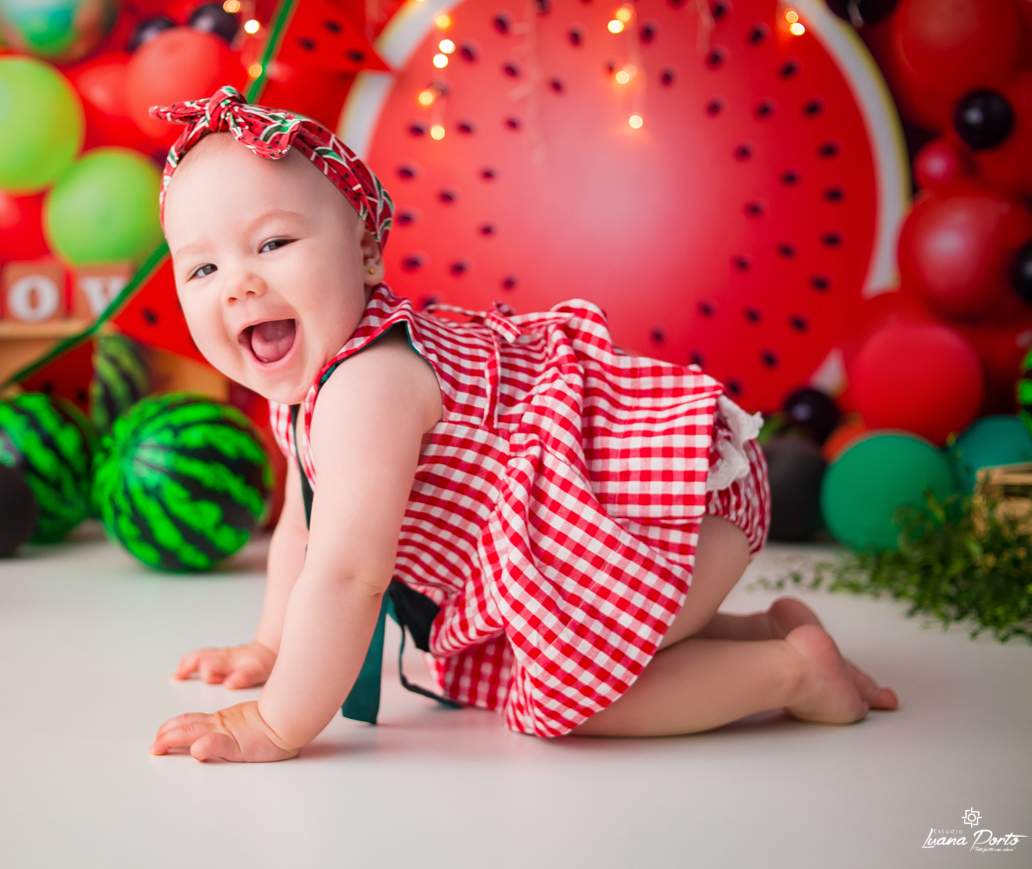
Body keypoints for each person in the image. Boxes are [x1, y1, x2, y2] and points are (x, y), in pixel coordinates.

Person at [148, 87, 898, 764]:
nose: (240, 284)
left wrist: (278, 721)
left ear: (367, 251)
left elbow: (348, 573)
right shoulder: (306, 391)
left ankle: (796, 674)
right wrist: (272, 647)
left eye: (273, 244)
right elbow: (304, 533)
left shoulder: (367, 386)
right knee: (558, 661)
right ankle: (767, 630)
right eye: (201, 270)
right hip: (641, 522)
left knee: (567, 703)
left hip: (654, 512)